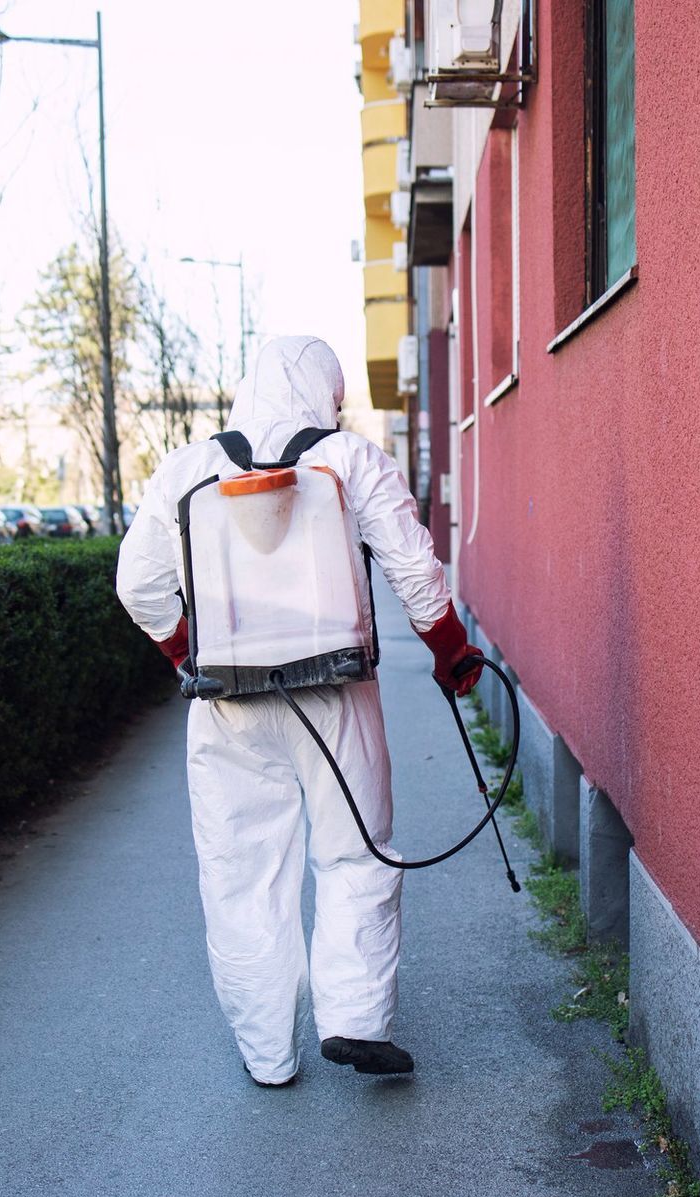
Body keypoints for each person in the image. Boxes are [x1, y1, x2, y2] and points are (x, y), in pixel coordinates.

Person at [116, 335, 482, 1087]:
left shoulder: (189, 469)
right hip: (338, 697)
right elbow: (416, 567)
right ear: (322, 393)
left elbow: (138, 586)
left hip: (227, 709)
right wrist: (452, 654)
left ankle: (267, 1055)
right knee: (356, 853)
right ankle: (353, 1019)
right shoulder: (349, 461)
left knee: (241, 871)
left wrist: (189, 656)